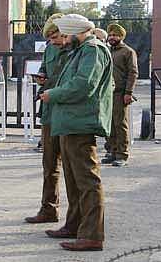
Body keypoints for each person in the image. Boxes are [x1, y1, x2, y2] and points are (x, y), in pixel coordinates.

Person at [40, 14, 112, 252]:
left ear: (73, 31)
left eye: (65, 33)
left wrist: (53, 94)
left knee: (87, 181)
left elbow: (84, 85)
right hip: (70, 123)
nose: (63, 38)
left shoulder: (93, 50)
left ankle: (92, 235)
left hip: (81, 123)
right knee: (73, 181)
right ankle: (74, 225)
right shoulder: (80, 51)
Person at [25, 13, 70, 224]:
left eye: (56, 36)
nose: (53, 41)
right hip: (50, 111)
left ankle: (77, 218)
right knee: (49, 164)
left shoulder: (77, 49)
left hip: (69, 112)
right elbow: (44, 67)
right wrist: (41, 77)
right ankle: (49, 209)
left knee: (73, 167)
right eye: (50, 38)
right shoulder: (50, 48)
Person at [102, 23, 138, 167]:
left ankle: (122, 155)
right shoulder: (107, 51)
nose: (111, 37)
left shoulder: (128, 52)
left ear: (121, 36)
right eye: (110, 35)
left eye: (115, 35)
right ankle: (112, 151)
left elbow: (133, 73)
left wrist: (128, 92)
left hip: (120, 93)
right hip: (107, 93)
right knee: (109, 124)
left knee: (120, 124)